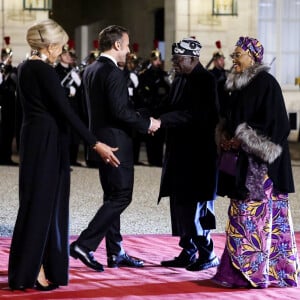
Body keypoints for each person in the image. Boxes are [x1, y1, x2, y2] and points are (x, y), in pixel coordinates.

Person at [8, 19, 120, 292]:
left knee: (39, 203)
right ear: (50, 45)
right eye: (62, 45)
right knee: (43, 206)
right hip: (46, 141)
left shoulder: (25, 67)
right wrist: (96, 144)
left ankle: (37, 266)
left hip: (36, 139)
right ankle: (36, 270)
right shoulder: (42, 70)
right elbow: (66, 112)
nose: (64, 50)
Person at [70, 25, 160, 272]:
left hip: (100, 142)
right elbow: (120, 112)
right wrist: (147, 123)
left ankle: (115, 252)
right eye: (128, 44)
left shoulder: (91, 69)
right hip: (116, 145)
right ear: (117, 45)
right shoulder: (113, 73)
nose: (129, 49)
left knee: (112, 197)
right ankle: (85, 244)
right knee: (121, 196)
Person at [212, 36, 299, 288]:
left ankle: (254, 275)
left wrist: (243, 140)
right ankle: (235, 272)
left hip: (262, 170)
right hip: (241, 165)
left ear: (252, 56)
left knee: (253, 220)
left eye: (238, 54)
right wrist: (226, 137)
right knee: (239, 217)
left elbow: (278, 127)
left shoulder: (267, 83)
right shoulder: (237, 84)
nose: (233, 58)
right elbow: (230, 119)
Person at [157, 37, 220, 271]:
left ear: (193, 59)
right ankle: (189, 249)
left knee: (196, 207)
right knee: (180, 204)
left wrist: (161, 121)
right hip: (180, 154)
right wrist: (143, 116)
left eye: (178, 58)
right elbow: (166, 106)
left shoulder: (206, 80)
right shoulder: (181, 79)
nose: (174, 62)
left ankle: (208, 252)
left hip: (199, 156)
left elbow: (196, 116)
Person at [138, 49, 170, 167]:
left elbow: (168, 92)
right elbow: (141, 92)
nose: (158, 62)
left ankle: (158, 160)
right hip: (149, 109)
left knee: (160, 137)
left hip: (160, 110)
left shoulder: (164, 75)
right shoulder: (144, 75)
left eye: (159, 60)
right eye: (155, 60)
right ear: (151, 60)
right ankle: (152, 159)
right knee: (150, 137)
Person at [55, 45, 84, 167]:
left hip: (74, 106)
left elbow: (81, 90)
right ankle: (63, 161)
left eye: (69, 55)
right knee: (64, 134)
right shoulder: (56, 70)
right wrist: (68, 91)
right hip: (63, 105)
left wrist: (78, 83)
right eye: (66, 55)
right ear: (60, 56)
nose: (68, 57)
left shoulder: (73, 71)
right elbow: (56, 89)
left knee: (74, 134)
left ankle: (73, 159)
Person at [0, 44, 18, 165]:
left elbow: (16, 83)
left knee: (9, 132)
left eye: (9, 56)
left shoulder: (13, 70)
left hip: (10, 105)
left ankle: (7, 157)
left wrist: (10, 75)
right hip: (0, 103)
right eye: (5, 56)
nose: (8, 58)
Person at [208, 50, 229, 117]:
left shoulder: (226, 73)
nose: (223, 62)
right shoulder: (210, 73)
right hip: (215, 107)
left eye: (223, 59)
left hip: (225, 107)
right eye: (220, 60)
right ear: (215, 62)